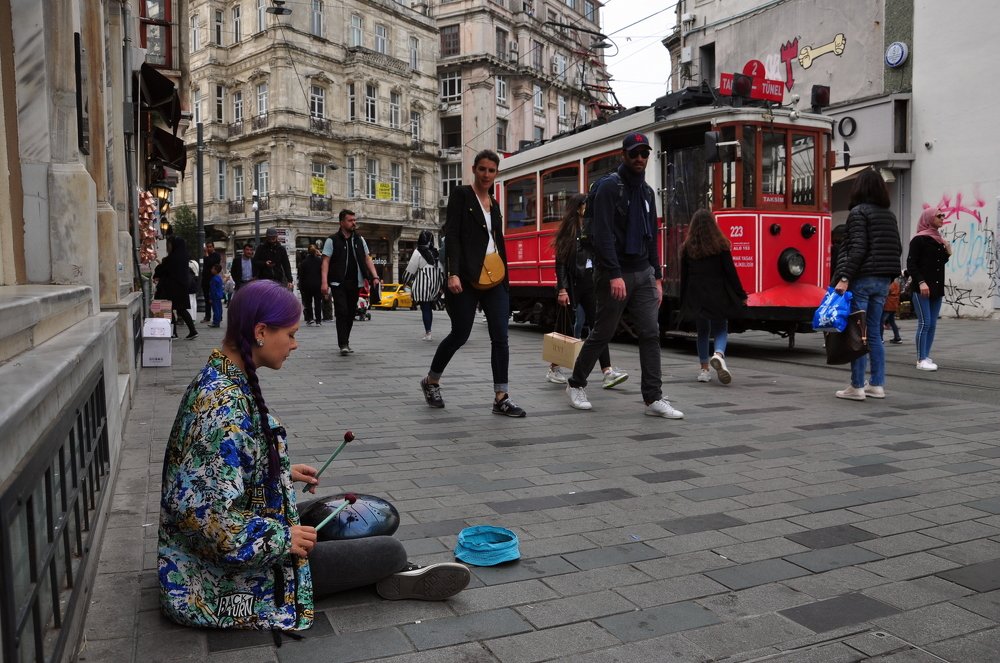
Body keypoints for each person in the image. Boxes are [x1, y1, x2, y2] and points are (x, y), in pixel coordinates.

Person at [158, 280, 470, 634]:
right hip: (223, 572)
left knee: (374, 513)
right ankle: (397, 571)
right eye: (290, 334)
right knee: (389, 550)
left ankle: (387, 572)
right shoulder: (220, 406)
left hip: (256, 524)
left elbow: (220, 473)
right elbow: (206, 518)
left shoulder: (226, 379)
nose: (295, 344)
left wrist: (280, 472)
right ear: (261, 331)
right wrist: (283, 539)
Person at [565, 133, 683, 419]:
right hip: (612, 273)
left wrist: (656, 277)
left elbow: (651, 236)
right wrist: (615, 274)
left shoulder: (646, 193)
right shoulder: (608, 188)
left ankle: (653, 398)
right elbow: (602, 234)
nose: (640, 159)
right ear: (624, 155)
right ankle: (576, 384)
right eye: (634, 154)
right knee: (603, 332)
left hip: (642, 271)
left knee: (650, 332)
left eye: (644, 154)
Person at [419, 149, 526, 417]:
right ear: (474, 170)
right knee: (460, 334)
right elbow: (451, 234)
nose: (487, 174)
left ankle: (501, 396)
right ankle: (431, 381)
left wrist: (507, 283)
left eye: (491, 170)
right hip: (465, 276)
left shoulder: (495, 203)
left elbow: (498, 242)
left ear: (496, 173)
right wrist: (452, 273)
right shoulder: (461, 196)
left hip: (495, 276)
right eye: (482, 169)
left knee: (501, 336)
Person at [832, 168, 902, 400]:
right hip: (883, 281)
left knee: (857, 333)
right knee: (874, 334)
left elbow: (858, 248)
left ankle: (857, 386)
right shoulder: (889, 215)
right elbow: (896, 249)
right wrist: (890, 277)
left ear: (859, 188)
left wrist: (844, 277)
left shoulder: (858, 213)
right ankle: (877, 384)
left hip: (862, 279)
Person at [547, 193, 629, 388]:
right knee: (564, 328)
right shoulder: (569, 230)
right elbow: (560, 263)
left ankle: (607, 371)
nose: (590, 208)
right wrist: (562, 289)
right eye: (587, 205)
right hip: (573, 284)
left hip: (591, 283)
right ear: (578, 208)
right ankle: (554, 368)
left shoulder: (592, 227)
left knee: (598, 326)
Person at [679, 209, 747, 385]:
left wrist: (683, 301)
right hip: (718, 294)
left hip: (697, 295)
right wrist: (741, 294)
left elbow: (684, 277)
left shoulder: (687, 248)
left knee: (702, 331)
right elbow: (731, 272)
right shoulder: (721, 245)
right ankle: (718, 354)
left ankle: (704, 370)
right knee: (721, 328)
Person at [320, 210, 381, 356]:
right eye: (350, 220)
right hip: (337, 282)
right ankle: (343, 343)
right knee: (342, 311)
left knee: (351, 312)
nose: (354, 223)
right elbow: (325, 261)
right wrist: (324, 282)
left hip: (355, 282)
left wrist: (375, 276)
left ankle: (345, 340)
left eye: (354, 220)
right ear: (341, 222)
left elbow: (367, 259)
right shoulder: (332, 240)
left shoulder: (360, 239)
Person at [907, 207, 951, 370]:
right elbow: (911, 264)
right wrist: (921, 282)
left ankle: (926, 355)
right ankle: (920, 359)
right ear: (928, 218)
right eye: (939, 216)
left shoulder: (938, 239)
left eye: (943, 216)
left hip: (936, 288)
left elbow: (938, 264)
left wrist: (948, 252)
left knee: (932, 324)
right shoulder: (919, 240)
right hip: (922, 289)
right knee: (924, 323)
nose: (942, 218)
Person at [153, 236, 198, 340]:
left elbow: (160, 270)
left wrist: (161, 264)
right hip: (181, 288)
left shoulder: (172, 258)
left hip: (170, 289)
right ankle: (192, 330)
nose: (168, 247)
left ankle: (172, 332)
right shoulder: (184, 257)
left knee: (167, 309)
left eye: (169, 245)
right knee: (181, 309)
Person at [403, 230, 444, 341]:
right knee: (429, 308)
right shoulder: (436, 252)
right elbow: (441, 270)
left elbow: (410, 269)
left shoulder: (418, 252)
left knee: (425, 309)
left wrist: (405, 280)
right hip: (435, 285)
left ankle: (428, 333)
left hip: (423, 285)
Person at [298, 244, 323, 326]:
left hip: (307, 285)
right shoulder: (319, 261)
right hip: (317, 284)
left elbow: (301, 276)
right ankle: (318, 320)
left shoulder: (304, 262)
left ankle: (310, 319)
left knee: (308, 302)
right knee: (317, 303)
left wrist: (301, 286)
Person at [201, 241, 222, 323]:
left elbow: (210, 263)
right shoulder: (207, 256)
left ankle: (218, 317)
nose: (208, 248)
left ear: (213, 247)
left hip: (213, 280)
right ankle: (207, 316)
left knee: (215, 300)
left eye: (210, 247)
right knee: (207, 300)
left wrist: (206, 254)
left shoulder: (216, 255)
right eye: (207, 247)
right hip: (206, 280)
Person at [882, 275, 902, 344]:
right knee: (892, 322)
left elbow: (884, 293)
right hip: (894, 306)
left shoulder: (889, 285)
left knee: (881, 322)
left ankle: (880, 339)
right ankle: (897, 337)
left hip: (888, 306)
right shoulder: (896, 285)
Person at [208, 263, 225, 327]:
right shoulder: (219, 278)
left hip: (214, 296)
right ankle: (218, 319)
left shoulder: (213, 279)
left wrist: (210, 298)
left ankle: (216, 322)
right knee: (219, 308)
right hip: (219, 295)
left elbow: (213, 290)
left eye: (212, 268)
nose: (211, 269)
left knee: (215, 309)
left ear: (216, 270)